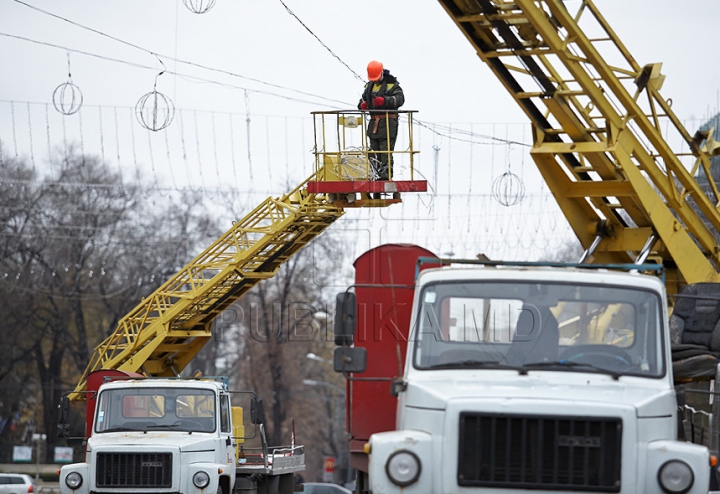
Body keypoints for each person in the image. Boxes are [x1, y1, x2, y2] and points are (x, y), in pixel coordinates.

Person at [357, 60, 404, 181]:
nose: (375, 80)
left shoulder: (393, 85)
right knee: (373, 151)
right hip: (374, 125)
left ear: (382, 73)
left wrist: (385, 101)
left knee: (385, 151)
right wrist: (362, 105)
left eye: (377, 78)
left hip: (388, 124)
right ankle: (374, 175)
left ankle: (385, 176)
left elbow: (400, 99)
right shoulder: (369, 87)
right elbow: (361, 101)